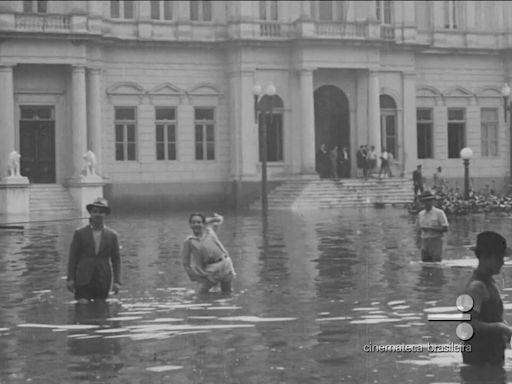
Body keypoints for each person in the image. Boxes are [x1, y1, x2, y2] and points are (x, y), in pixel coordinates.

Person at [461, 231, 512, 367]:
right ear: (484, 257)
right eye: (499, 258)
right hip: (479, 356)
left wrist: (506, 328)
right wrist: (500, 327)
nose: (502, 262)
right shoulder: (476, 287)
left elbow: (493, 316)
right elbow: (468, 324)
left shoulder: (490, 283)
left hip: (491, 353)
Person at [67, 197, 121, 302]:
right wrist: (70, 279)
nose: (98, 215)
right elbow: (73, 258)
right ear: (91, 214)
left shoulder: (112, 235)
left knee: (101, 308)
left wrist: (117, 281)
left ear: (105, 214)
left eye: (101, 212)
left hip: (103, 278)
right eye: (95, 211)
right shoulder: (80, 233)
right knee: (82, 307)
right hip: (83, 277)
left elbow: (116, 260)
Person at [181, 212, 235, 294]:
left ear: (204, 224)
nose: (196, 225)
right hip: (209, 269)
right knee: (200, 294)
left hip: (224, 264)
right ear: (190, 225)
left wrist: (206, 220)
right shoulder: (189, 241)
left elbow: (219, 219)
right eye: (193, 223)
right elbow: (186, 263)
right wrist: (195, 277)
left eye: (199, 222)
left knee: (227, 293)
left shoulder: (210, 231)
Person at [416, 190, 448, 262]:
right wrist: (418, 243)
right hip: (424, 241)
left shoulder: (439, 213)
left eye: (429, 200)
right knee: (425, 263)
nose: (427, 203)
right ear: (422, 202)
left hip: (436, 241)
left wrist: (430, 229)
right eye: (425, 201)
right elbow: (418, 230)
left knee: (436, 263)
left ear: (433, 201)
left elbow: (445, 228)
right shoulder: (420, 214)